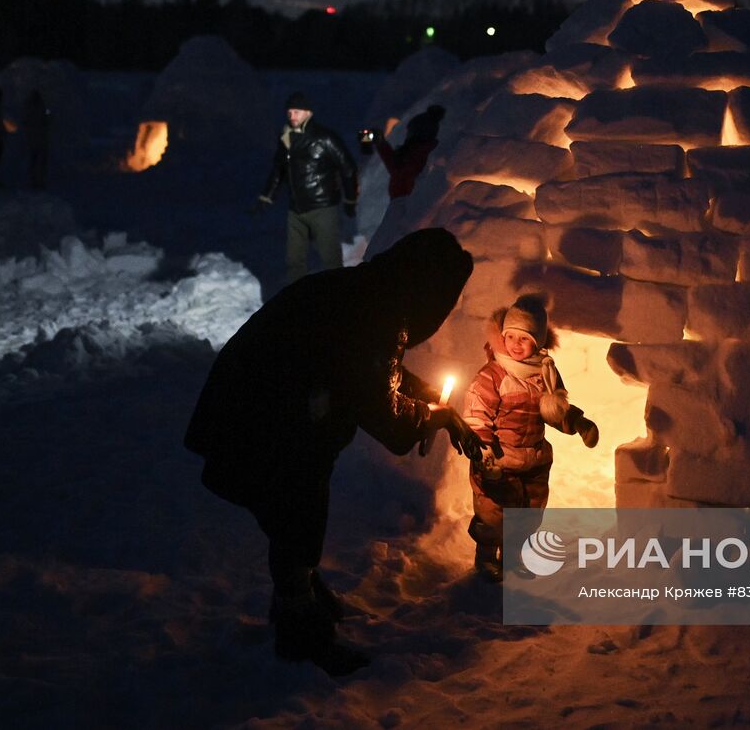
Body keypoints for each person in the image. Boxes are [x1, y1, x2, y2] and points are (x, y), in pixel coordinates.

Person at [184, 228, 484, 676]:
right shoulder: (375, 315)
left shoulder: (368, 293)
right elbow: (385, 413)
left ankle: (299, 588)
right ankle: (299, 627)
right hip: (260, 416)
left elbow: (376, 371)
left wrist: (429, 405)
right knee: (294, 509)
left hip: (270, 407)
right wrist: (430, 417)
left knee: (294, 511)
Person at [462, 294, 600, 582]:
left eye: (523, 339)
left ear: (537, 342)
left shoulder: (544, 374)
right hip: (499, 462)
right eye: (510, 336)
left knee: (527, 516)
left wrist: (579, 423)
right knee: (494, 514)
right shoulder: (493, 375)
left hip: (534, 461)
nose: (515, 344)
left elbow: (556, 409)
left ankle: (514, 559)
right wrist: (484, 451)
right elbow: (476, 415)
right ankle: (486, 557)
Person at [258, 92, 359, 285]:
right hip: (296, 209)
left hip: (323, 208)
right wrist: (267, 196)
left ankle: (340, 299)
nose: (292, 116)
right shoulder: (286, 138)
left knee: (331, 261)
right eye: (289, 112)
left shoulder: (324, 138)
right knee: (294, 261)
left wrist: (350, 199)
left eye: (297, 111)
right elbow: (278, 169)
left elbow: (348, 169)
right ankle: (297, 302)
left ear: (308, 113)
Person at [371, 104, 445, 199]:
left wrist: (380, 143)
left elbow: (397, 168)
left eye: (411, 131)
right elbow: (393, 163)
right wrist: (380, 142)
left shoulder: (421, 153)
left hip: (409, 205)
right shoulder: (413, 152)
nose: (408, 135)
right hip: (401, 203)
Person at [22, 90, 50, 189]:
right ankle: (38, 181)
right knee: (39, 162)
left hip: (34, 139)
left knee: (34, 161)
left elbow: (25, 122)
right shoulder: (41, 107)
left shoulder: (30, 108)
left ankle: (34, 181)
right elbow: (47, 118)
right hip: (39, 139)